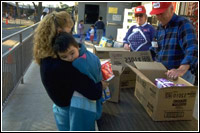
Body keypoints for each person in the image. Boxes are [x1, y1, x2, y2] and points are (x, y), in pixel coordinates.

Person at [33, 11, 107, 131]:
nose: (71, 36)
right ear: (60, 32)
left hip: (59, 109)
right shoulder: (62, 65)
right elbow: (94, 92)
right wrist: (101, 84)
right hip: (70, 113)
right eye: (69, 31)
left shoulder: (47, 57)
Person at [52, 32, 106, 130]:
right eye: (64, 57)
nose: (70, 58)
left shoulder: (80, 63)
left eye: (72, 53)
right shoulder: (85, 56)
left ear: (77, 46)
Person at [149, 2, 198, 84]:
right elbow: (154, 48)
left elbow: (192, 48)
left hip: (181, 76)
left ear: (172, 9)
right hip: (164, 75)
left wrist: (180, 70)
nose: (159, 17)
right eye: (157, 14)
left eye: (161, 13)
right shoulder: (160, 28)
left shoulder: (183, 24)